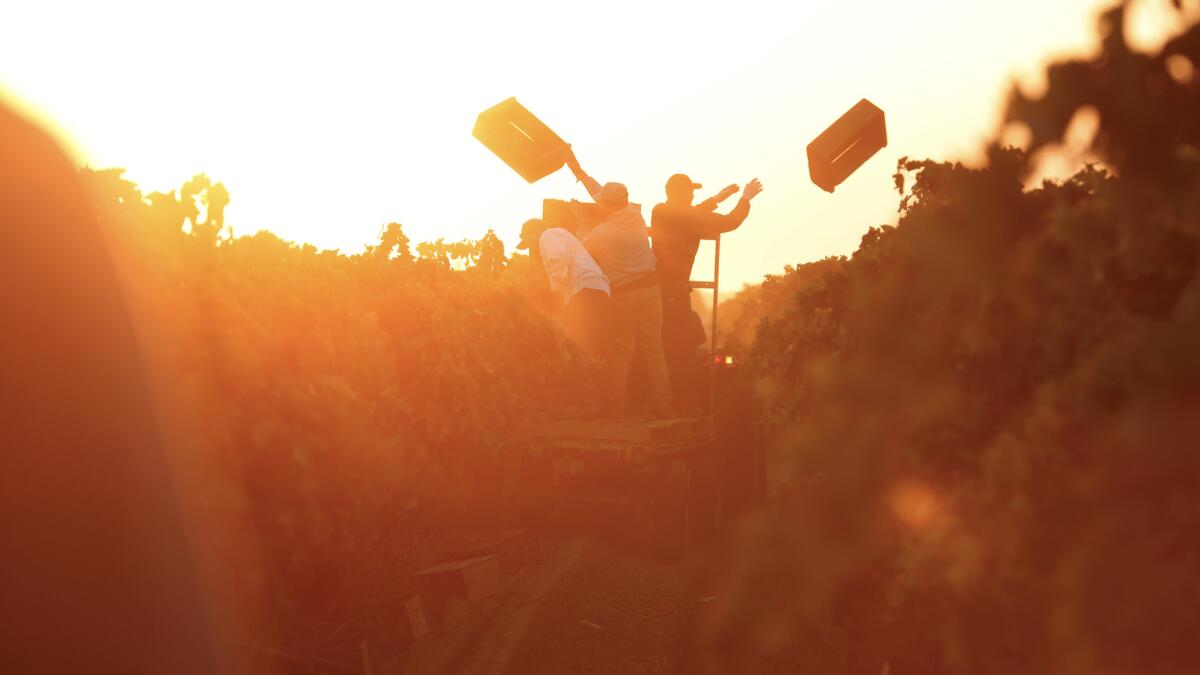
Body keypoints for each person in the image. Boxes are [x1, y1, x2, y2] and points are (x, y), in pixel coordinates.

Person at [564, 147, 671, 418]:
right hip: (651, 291)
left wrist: (579, 221)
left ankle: (616, 409)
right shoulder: (635, 216)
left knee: (620, 353)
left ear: (606, 206)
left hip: (624, 295)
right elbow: (598, 191)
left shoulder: (602, 233)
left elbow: (579, 247)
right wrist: (577, 169)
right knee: (654, 350)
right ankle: (664, 406)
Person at [651, 173, 763, 413]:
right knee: (682, 349)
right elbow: (729, 222)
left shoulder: (659, 211)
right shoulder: (688, 216)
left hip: (656, 290)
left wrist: (718, 198)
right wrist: (745, 198)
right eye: (690, 191)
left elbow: (690, 215)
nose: (693, 195)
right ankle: (682, 403)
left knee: (661, 345)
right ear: (682, 193)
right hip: (675, 293)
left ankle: (659, 399)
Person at [516, 217, 610, 359]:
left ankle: (583, 376)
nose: (530, 247)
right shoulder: (557, 236)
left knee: (580, 346)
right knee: (583, 344)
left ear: (534, 233)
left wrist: (556, 293)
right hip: (590, 290)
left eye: (528, 241)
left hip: (585, 290)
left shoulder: (548, 235)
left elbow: (557, 259)